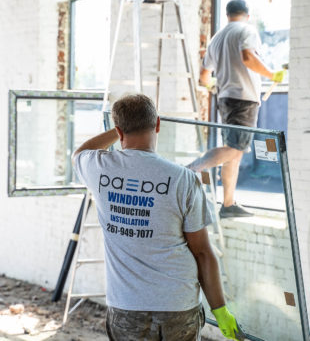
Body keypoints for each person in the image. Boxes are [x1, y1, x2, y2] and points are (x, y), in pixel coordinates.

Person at [72, 94, 245, 340]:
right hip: (177, 305)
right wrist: (220, 310)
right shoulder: (182, 179)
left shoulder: (99, 169)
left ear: (119, 131)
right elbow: (203, 252)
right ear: (158, 125)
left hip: (126, 306)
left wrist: (120, 129)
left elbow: (81, 151)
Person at [187, 0, 286, 218]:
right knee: (235, 149)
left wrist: (215, 82)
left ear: (227, 14)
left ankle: (228, 204)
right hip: (243, 99)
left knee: (233, 151)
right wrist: (271, 74)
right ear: (247, 15)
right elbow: (248, 57)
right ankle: (190, 169)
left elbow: (204, 76)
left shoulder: (217, 37)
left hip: (226, 99)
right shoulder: (246, 30)